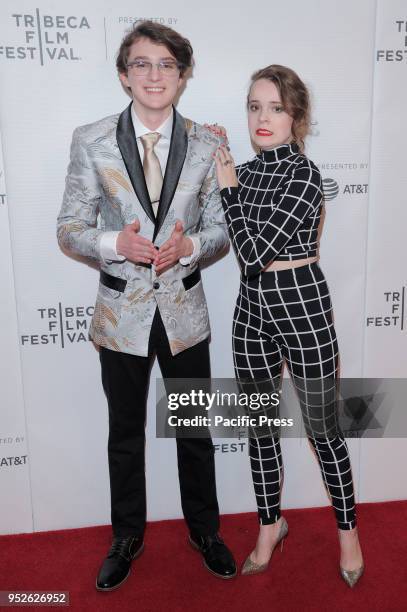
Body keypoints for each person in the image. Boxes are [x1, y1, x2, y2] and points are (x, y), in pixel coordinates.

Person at [57, 21, 236, 590]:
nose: (154, 74)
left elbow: (220, 231)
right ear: (123, 75)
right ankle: (126, 536)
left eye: (166, 64)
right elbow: (69, 228)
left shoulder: (210, 144)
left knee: (194, 432)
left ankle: (205, 530)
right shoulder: (91, 139)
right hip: (121, 316)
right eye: (141, 63)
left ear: (182, 77)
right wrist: (115, 244)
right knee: (125, 432)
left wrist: (189, 248)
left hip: (185, 313)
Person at [212, 65, 364, 587]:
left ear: (295, 116)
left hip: (302, 305)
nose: (263, 117)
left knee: (323, 431)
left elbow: (252, 252)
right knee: (260, 429)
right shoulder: (248, 173)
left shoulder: (305, 175)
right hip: (250, 313)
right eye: (255, 106)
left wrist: (228, 190)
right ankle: (269, 525)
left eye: (275, 107)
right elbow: (229, 244)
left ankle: (348, 533)